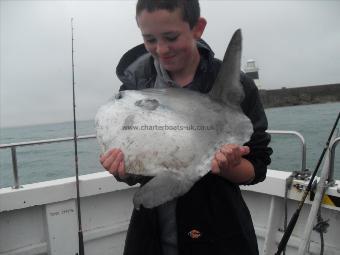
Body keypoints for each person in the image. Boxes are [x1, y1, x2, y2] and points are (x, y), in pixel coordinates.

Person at [100, 1, 272, 254]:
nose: (161, 49)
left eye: (171, 37)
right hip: (152, 237)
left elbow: (257, 167)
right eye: (149, 39)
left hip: (220, 235)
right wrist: (123, 171)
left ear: (197, 28)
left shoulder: (237, 85)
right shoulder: (134, 90)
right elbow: (137, 169)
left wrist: (229, 166)